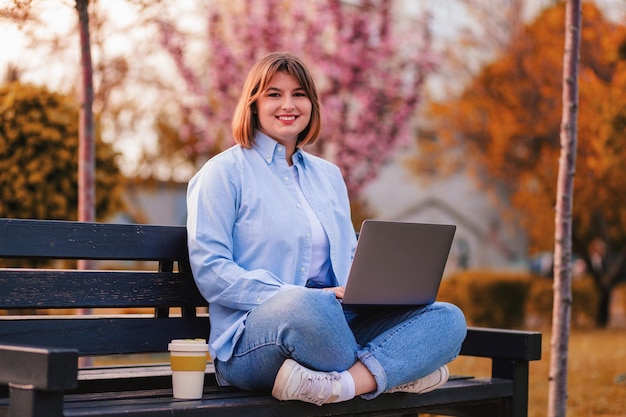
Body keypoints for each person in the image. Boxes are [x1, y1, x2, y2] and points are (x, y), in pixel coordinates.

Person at [186, 51, 467, 406]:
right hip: (255, 339)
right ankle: (392, 373)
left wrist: (374, 289)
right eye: (274, 94)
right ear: (253, 104)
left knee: (447, 319)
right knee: (308, 308)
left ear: (312, 104)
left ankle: (341, 386)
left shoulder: (329, 176)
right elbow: (211, 271)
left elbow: (349, 255)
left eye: (298, 94)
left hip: (338, 324)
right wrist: (300, 295)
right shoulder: (222, 173)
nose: (288, 104)